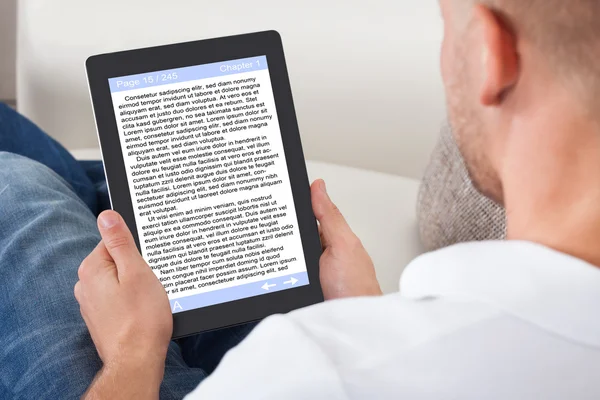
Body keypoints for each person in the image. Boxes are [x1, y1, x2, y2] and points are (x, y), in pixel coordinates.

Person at [3, 0, 600, 397]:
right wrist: (362, 312)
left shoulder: (317, 369)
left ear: (494, 56)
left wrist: (133, 351)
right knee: (116, 192)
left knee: (18, 187)